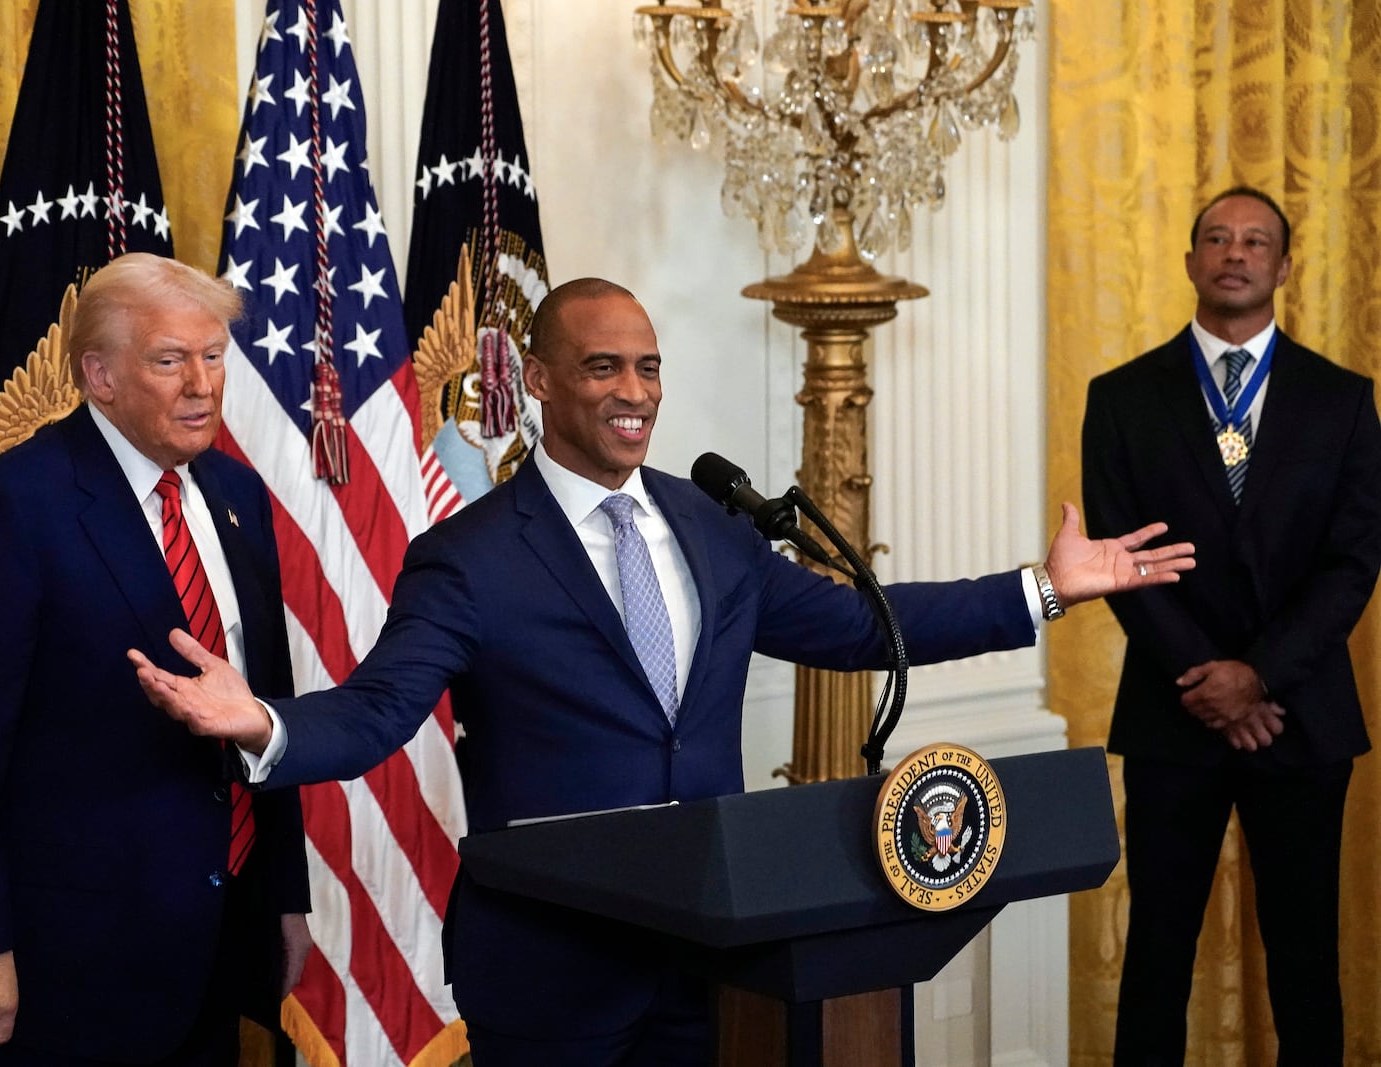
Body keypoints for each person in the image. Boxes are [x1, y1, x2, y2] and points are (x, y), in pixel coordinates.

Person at [132, 277, 1193, 1067]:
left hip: (712, 951)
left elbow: (858, 624)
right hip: (553, 970)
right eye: (602, 367)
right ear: (539, 381)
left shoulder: (707, 521)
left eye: (646, 366)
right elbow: (379, 709)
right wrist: (263, 721)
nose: (633, 391)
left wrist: (1041, 589)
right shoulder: (471, 552)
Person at [0, 253, 313, 1066]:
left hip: (219, 934)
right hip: (66, 959)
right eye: (169, 360)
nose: (201, 383)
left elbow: (262, 705)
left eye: (212, 357)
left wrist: (283, 899)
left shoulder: (237, 495)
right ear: (100, 374)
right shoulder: (13, 506)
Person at [1081, 187, 1381, 1065]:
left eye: (1256, 241)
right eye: (1216, 237)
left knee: (1303, 962)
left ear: (1284, 268)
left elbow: (1353, 560)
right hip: (1174, 715)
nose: (1235, 252)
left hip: (1301, 715)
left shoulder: (1342, 399)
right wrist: (1210, 680)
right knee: (1157, 957)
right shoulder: (1123, 397)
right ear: (1189, 261)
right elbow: (1122, 559)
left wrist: (1261, 677)